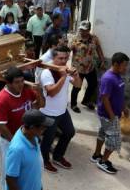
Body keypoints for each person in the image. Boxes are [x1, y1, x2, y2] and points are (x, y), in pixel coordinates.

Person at [0, 66, 37, 190]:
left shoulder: (26, 91)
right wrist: (16, 143)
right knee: (9, 174)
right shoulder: (1, 100)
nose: (21, 85)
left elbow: (39, 106)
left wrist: (39, 93)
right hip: (9, 142)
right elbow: (1, 126)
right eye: (17, 82)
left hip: (26, 138)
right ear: (8, 83)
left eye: (22, 81)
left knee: (24, 170)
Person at [39, 45, 81, 173]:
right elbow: (51, 92)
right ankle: (44, 161)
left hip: (62, 111)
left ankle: (57, 157)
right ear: (53, 58)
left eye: (66, 58)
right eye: (60, 58)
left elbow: (77, 85)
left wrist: (77, 75)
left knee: (69, 132)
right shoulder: (47, 72)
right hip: (49, 113)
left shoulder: (65, 70)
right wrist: (63, 77)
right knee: (48, 140)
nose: (63, 61)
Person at [91, 52, 130, 174]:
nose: (126, 68)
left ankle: (96, 155)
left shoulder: (117, 75)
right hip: (108, 115)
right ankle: (103, 161)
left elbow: (119, 95)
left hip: (112, 113)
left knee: (102, 133)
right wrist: (112, 115)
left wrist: (124, 107)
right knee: (114, 140)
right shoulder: (108, 78)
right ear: (115, 64)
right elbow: (104, 98)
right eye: (124, 65)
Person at [6, 109, 53, 190]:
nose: (44, 129)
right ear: (32, 128)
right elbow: (10, 180)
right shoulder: (17, 150)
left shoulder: (34, 136)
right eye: (42, 128)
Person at [70, 20, 105, 113]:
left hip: (90, 67)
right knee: (77, 87)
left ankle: (86, 100)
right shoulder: (75, 39)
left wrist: (102, 60)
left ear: (89, 30)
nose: (82, 32)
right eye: (81, 29)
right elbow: (68, 49)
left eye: (84, 30)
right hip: (78, 68)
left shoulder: (94, 38)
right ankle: (73, 104)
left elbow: (99, 49)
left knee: (93, 84)